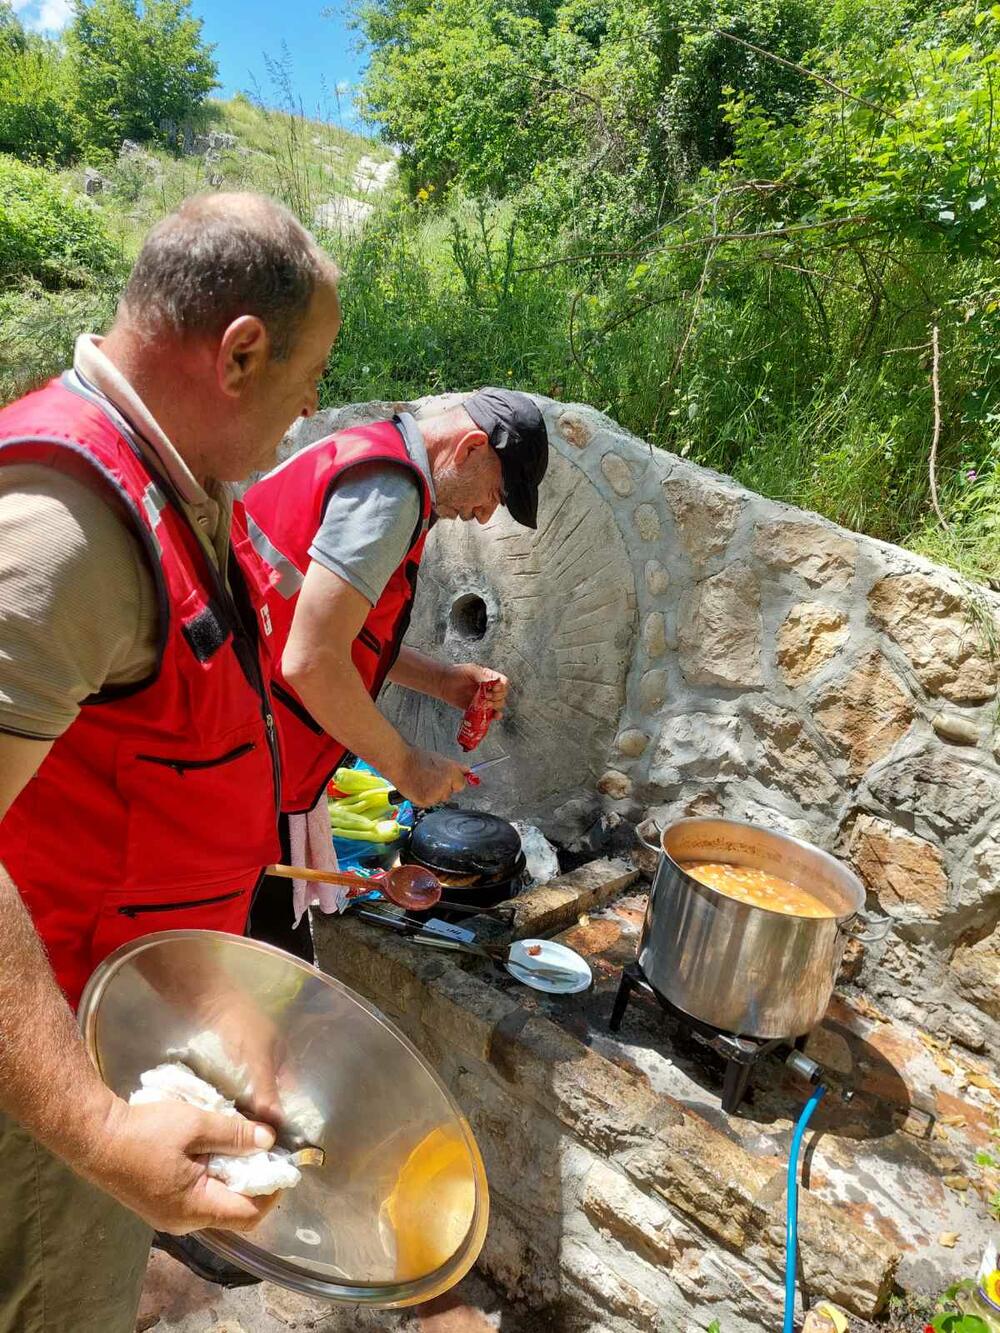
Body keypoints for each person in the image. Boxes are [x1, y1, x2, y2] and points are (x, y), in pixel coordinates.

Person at [0, 192, 342, 1333]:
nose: (308, 419)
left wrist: (218, 999)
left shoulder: (179, 486)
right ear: (239, 352)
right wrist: (95, 1133)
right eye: (304, 387)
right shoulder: (61, 524)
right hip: (35, 1079)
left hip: (104, 1032)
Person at [243, 389, 549, 962]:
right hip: (247, 759)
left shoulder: (372, 458)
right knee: (261, 978)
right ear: (472, 446)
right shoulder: (392, 495)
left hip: (248, 738)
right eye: (496, 494)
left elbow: (329, 632)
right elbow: (310, 661)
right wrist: (408, 767)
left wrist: (442, 680)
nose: (485, 514)